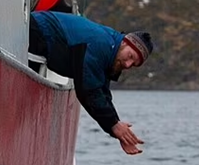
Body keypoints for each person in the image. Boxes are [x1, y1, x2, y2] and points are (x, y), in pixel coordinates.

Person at [28, 11, 155, 155]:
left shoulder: (111, 50)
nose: (127, 64)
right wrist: (114, 125)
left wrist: (116, 126)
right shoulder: (100, 45)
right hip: (35, 30)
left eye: (133, 64)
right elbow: (88, 90)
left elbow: (102, 92)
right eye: (130, 56)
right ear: (125, 42)